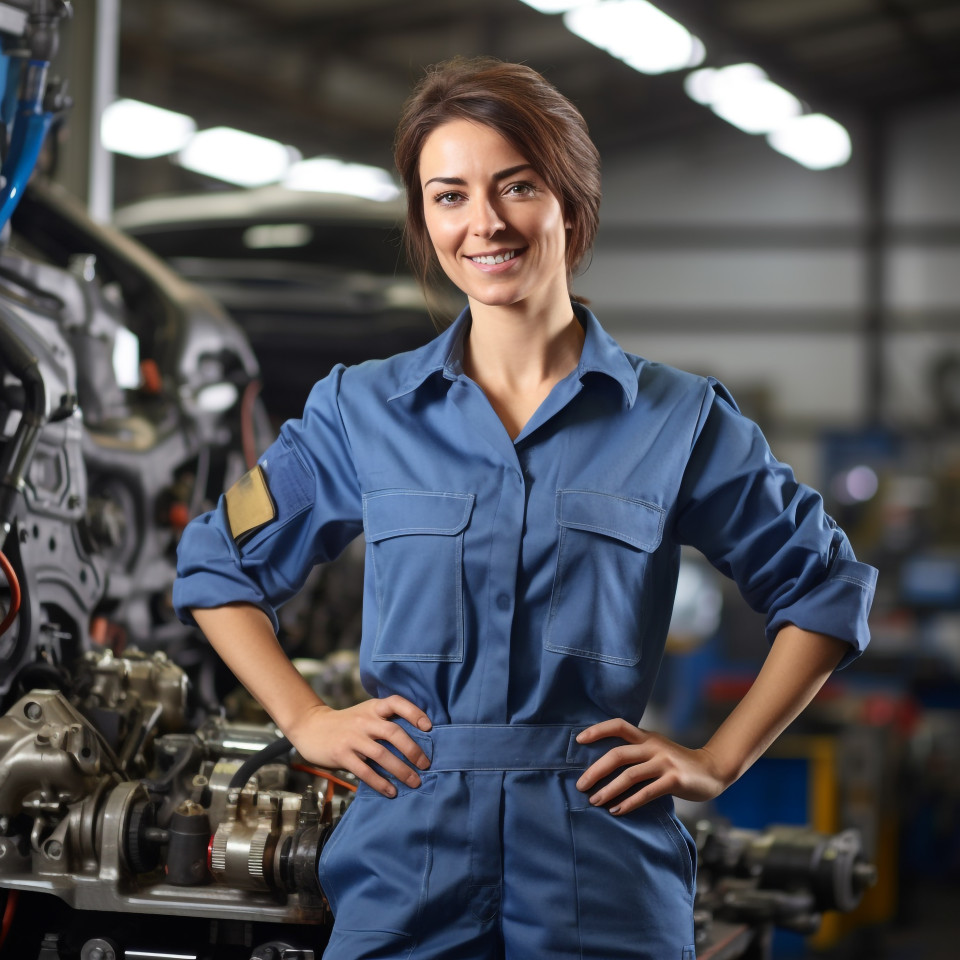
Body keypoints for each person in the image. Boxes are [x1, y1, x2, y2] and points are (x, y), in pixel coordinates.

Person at [174, 56, 877, 960]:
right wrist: (306, 719)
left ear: (571, 205)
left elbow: (824, 586)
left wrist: (719, 757)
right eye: (449, 196)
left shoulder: (679, 419)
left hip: (603, 856)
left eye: (517, 186)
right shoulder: (361, 410)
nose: (485, 223)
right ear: (426, 222)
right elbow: (217, 563)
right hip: (405, 850)